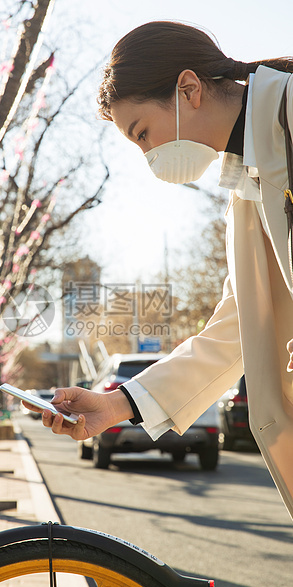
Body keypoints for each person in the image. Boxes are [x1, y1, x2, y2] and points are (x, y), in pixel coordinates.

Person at [39, 21, 293, 518]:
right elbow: (236, 330)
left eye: (143, 133)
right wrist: (115, 407)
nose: (148, 156)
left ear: (189, 89)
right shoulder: (246, 193)